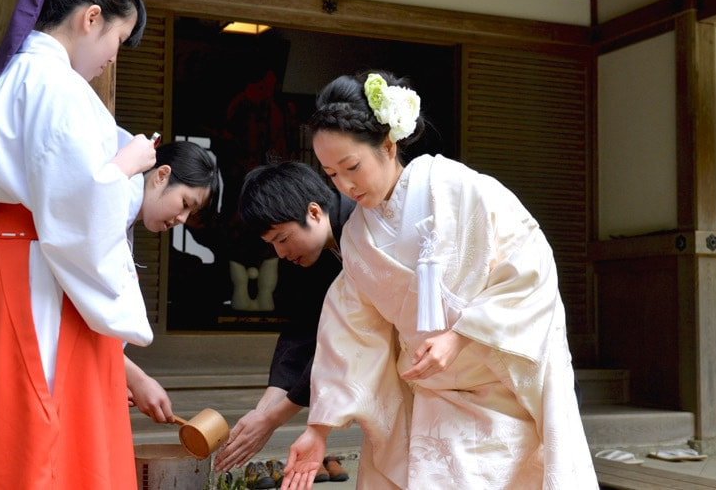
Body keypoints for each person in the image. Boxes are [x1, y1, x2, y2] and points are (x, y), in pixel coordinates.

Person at [280, 71, 598, 489]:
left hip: (501, 386)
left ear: (389, 146)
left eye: (351, 166)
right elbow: (350, 332)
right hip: (433, 398)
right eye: (331, 174)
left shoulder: (462, 189)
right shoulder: (358, 236)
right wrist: (318, 429)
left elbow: (530, 268)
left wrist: (460, 336)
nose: (345, 184)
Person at [0, 0, 157, 487]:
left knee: (0, 435)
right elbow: (77, 206)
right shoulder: (57, 86)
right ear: (91, 18)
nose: (112, 58)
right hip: (43, 276)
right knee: (50, 437)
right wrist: (128, 167)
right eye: (118, 38)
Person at [213, 161, 354, 485]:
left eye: (282, 238)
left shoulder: (363, 229)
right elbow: (303, 330)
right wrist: (264, 411)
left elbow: (344, 340)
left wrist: (275, 417)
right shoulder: (311, 251)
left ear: (314, 212)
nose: (280, 252)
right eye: (272, 243)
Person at [124, 140, 221, 423]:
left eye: (191, 213)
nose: (182, 218)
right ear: (161, 175)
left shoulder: (124, 220)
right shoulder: (109, 212)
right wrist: (137, 379)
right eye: (184, 204)